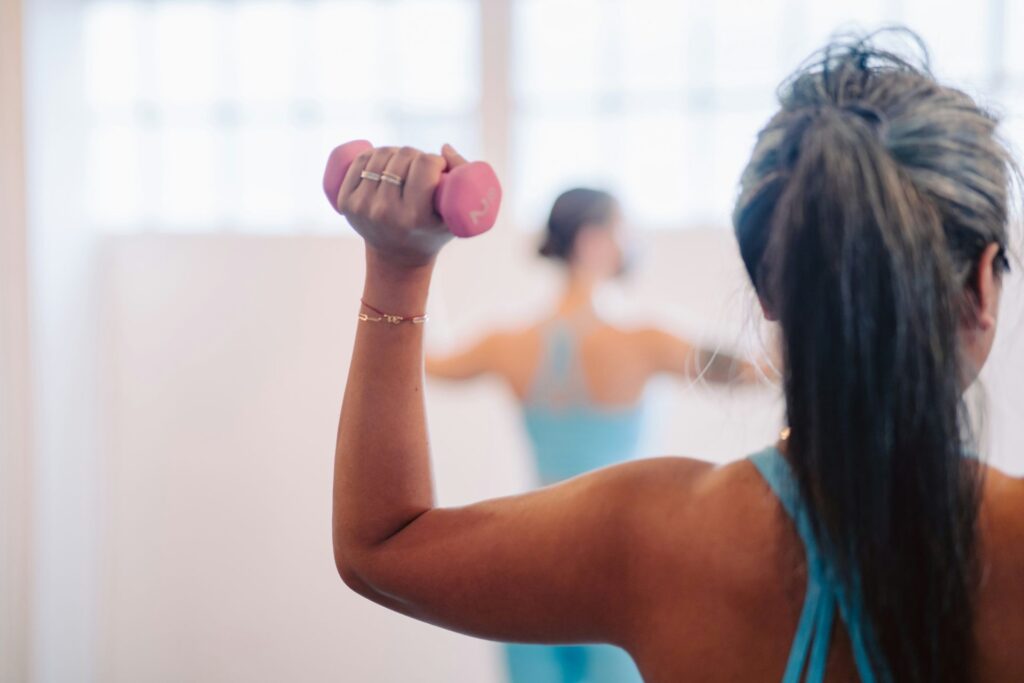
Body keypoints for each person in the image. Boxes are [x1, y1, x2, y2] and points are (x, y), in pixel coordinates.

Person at [331, 33, 1023, 683]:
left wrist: (400, 264)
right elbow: (751, 370)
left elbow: (383, 543)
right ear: (981, 281)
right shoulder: (649, 342)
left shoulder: (646, 536)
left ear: (769, 286)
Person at [425, 188, 757, 683]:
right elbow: (758, 371)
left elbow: (431, 361)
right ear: (594, 240)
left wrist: (418, 253)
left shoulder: (506, 343)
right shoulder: (643, 341)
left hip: (529, 555)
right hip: (617, 564)